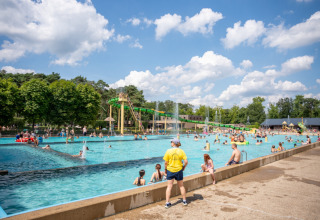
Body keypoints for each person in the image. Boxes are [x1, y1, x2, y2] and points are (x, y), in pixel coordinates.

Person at [163, 138, 188, 208]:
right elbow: (186, 162)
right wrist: (184, 167)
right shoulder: (181, 151)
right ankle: (184, 201)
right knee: (181, 186)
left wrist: (165, 170)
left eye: (171, 142)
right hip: (179, 170)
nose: (170, 143)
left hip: (170, 170)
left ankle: (167, 203)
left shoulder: (168, 151)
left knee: (169, 186)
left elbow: (165, 162)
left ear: (174, 143)